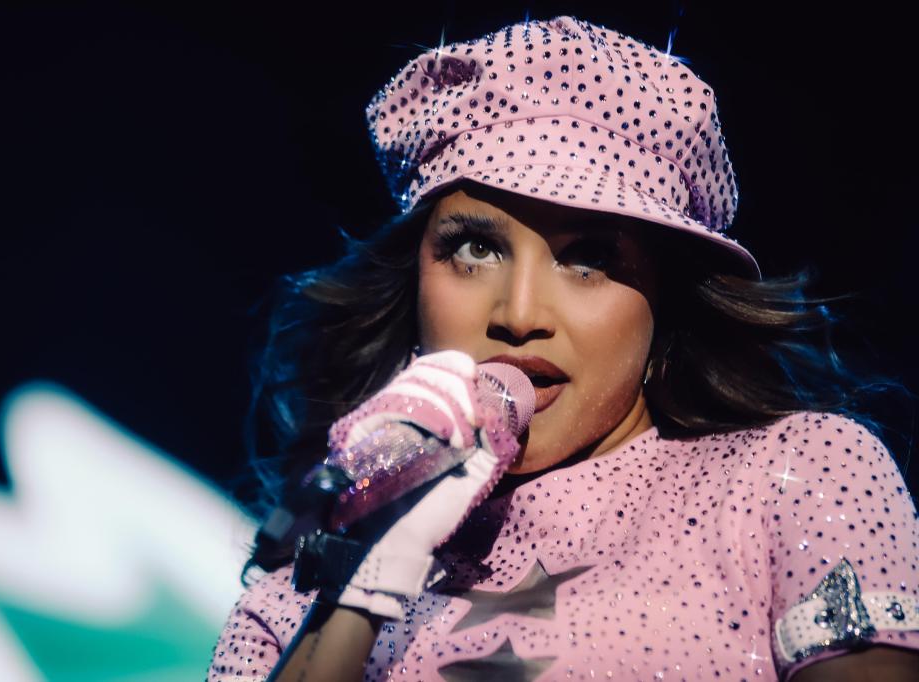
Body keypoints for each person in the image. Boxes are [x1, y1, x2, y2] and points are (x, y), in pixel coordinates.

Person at [208, 15, 919, 681]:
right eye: (475, 249)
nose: (519, 317)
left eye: (589, 258)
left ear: (665, 302)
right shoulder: (283, 614)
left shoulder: (792, 475)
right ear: (415, 279)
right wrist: (366, 574)